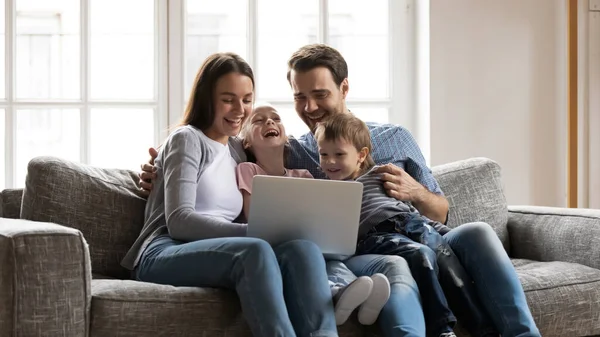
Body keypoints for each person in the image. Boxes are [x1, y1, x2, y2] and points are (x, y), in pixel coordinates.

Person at [140, 44, 541, 337]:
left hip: (420, 229)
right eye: (299, 97)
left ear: (344, 88)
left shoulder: (396, 138)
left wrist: (417, 193)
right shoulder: (291, 150)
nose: (309, 107)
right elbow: (222, 148)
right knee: (396, 264)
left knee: (478, 233)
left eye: (320, 94)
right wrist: (156, 171)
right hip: (365, 247)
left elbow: (441, 212)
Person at [122, 52, 340, 337]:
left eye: (247, 100)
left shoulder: (237, 149)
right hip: (163, 250)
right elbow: (178, 220)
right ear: (206, 98)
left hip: (222, 248)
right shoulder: (188, 138)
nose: (240, 109)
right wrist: (255, 232)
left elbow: (272, 154)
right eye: (228, 99)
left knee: (304, 248)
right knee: (255, 250)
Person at [314, 112, 501, 337]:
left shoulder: (381, 174)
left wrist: (441, 233)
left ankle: (483, 329)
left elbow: (411, 210)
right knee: (420, 255)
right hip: (377, 236)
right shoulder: (329, 191)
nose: (329, 161)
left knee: (444, 253)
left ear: (361, 155)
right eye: (323, 154)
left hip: (412, 223)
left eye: (339, 154)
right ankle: (441, 329)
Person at [235, 101, 391, 326]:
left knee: (331, 255)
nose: (269, 121)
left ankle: (349, 291)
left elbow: (320, 217)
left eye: (276, 118)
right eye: (258, 120)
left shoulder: (303, 175)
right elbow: (254, 217)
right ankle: (342, 291)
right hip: (277, 247)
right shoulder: (248, 170)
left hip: (314, 245)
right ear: (246, 141)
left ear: (286, 136)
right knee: (311, 255)